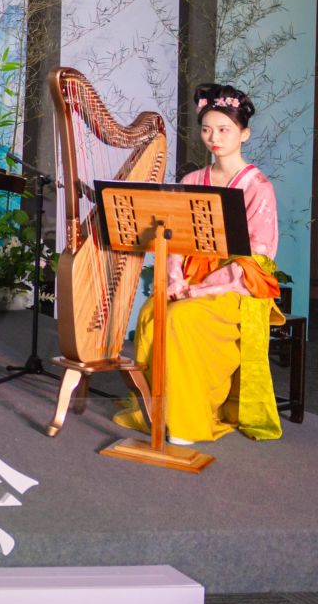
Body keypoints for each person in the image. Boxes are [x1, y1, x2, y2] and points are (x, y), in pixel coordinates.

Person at [116, 83, 284, 445]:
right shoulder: (192, 180)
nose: (214, 138)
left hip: (234, 287)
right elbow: (174, 240)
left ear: (244, 133)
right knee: (152, 311)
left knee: (182, 318)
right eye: (207, 129)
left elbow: (256, 258)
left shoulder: (259, 187)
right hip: (188, 280)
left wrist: (199, 289)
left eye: (224, 129)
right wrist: (175, 280)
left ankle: (187, 421)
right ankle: (157, 410)